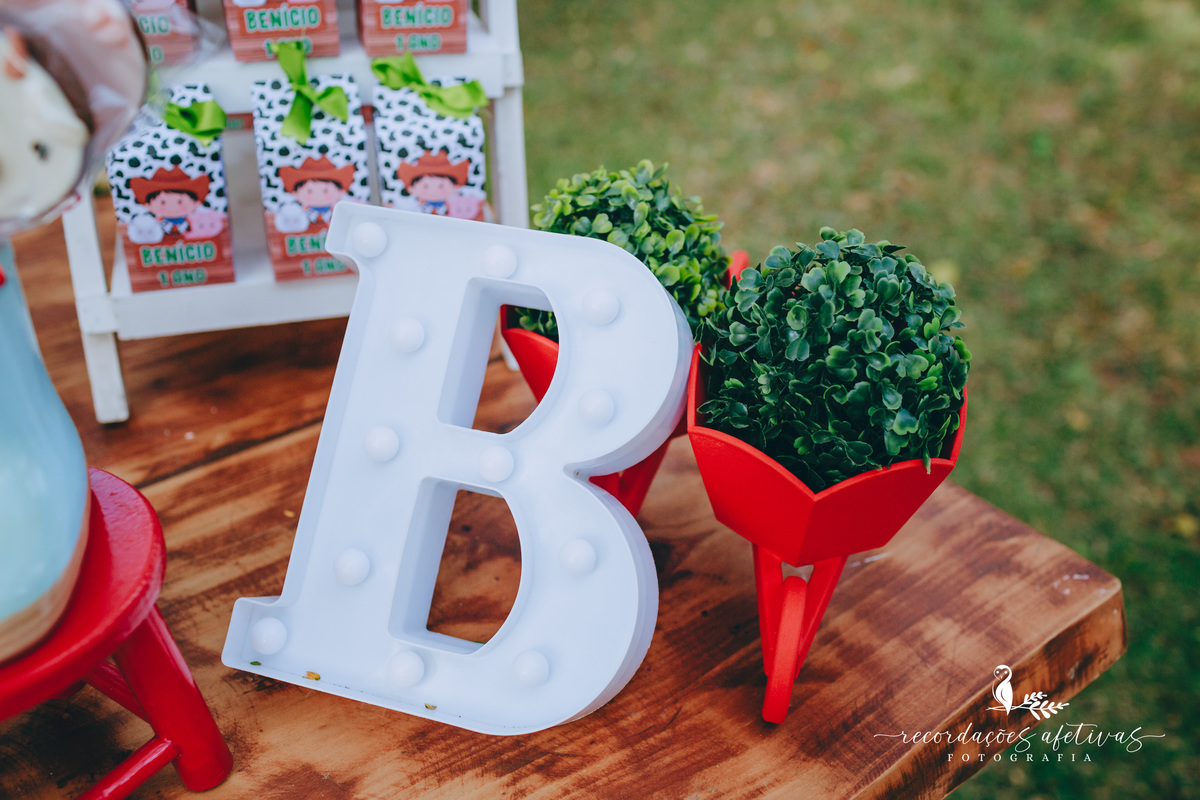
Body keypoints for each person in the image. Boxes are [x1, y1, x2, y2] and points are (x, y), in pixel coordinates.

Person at [396, 151, 482, 220]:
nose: (433, 190)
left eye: (441, 186)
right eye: (425, 186)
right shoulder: (416, 207)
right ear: (411, 188)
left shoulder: (454, 206)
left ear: (456, 187)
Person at [129, 166, 210, 236]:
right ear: (147, 205)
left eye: (180, 202)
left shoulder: (193, 222)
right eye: (162, 202)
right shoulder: (154, 225)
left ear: (196, 203)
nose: (173, 207)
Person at [277, 156, 355, 228]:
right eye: (309, 191)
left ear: (341, 191)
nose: (318, 195)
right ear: (295, 193)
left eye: (325, 190)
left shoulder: (339, 211)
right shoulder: (299, 213)